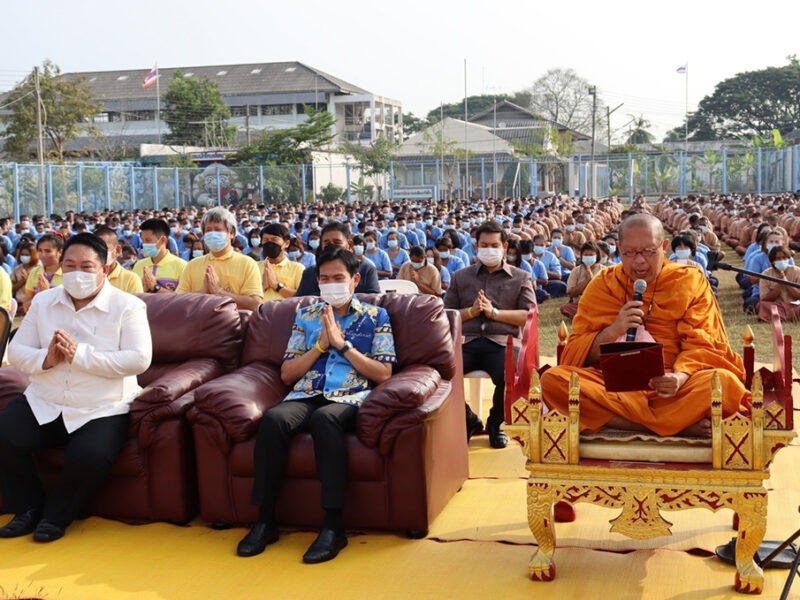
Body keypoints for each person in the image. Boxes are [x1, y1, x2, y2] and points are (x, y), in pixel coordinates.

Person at [237, 246, 395, 563]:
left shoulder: (376, 316)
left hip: (350, 395)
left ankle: (333, 526)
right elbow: (287, 373)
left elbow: (384, 372)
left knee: (326, 420)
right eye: (324, 278)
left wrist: (343, 345)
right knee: (273, 420)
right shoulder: (306, 315)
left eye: (339, 277)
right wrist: (321, 347)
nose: (331, 284)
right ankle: (265, 520)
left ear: (355, 280)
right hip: (306, 392)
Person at [0, 233, 152, 543]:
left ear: (105, 269)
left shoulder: (128, 306)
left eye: (86, 266)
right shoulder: (43, 301)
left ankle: (56, 516)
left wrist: (80, 356)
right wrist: (47, 358)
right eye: (69, 265)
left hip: (100, 406)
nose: (76, 273)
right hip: (46, 400)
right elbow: (16, 351)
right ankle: (27, 508)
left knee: (91, 456)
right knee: (4, 434)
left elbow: (139, 360)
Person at [540, 214, 750, 437]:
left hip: (672, 387)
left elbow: (704, 344)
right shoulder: (603, 284)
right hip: (613, 383)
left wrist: (679, 377)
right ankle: (662, 425)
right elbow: (576, 353)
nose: (639, 261)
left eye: (648, 251)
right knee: (554, 381)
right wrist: (613, 331)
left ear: (664, 246)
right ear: (618, 249)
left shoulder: (689, 282)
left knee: (725, 384)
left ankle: (628, 421)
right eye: (629, 253)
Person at [443, 221, 535, 448]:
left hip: (503, 342)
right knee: (438, 372)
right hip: (467, 341)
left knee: (511, 373)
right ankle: (469, 420)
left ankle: (496, 424)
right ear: (476, 247)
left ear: (505, 246)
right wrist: (471, 312)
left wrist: (494, 313)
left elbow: (529, 315)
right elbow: (445, 315)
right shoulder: (460, 277)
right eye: (484, 245)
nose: (489, 249)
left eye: (494, 245)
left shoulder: (520, 277)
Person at [176, 207, 262, 310]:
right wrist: (203, 292)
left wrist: (219, 292)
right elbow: (177, 302)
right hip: (199, 324)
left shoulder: (247, 263)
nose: (212, 234)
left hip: (234, 324)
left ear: (231, 233)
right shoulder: (192, 265)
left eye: (218, 230)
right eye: (208, 230)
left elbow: (255, 303)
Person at [295, 223, 381, 297]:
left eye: (337, 243)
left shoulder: (366, 270)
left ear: (350, 245)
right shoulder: (310, 273)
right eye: (327, 243)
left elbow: (374, 300)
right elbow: (302, 302)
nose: (332, 247)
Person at [133, 219, 187, 294]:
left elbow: (184, 299)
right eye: (143, 240)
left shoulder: (181, 266)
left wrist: (156, 288)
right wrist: (144, 289)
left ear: (163, 240)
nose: (144, 244)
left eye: (148, 240)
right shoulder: (139, 265)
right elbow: (133, 297)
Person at [259, 224, 304, 302]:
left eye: (274, 240)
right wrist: (263, 286)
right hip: (258, 312)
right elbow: (246, 296)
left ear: (286, 243)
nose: (269, 244)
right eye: (265, 240)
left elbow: (302, 298)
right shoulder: (254, 266)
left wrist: (277, 286)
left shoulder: (297, 268)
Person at [93, 227, 143, 294]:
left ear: (117, 250)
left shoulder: (131, 279)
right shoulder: (86, 276)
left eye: (104, 248)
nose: (99, 253)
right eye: (95, 249)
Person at [756, 245, 800, 322]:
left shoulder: (797, 271)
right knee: (762, 306)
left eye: (784, 258)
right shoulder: (766, 275)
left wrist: (785, 281)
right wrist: (779, 284)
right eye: (778, 259)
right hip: (776, 307)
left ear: (788, 259)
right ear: (772, 261)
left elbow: (798, 296)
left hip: (795, 306)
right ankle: (789, 317)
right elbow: (765, 299)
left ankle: (779, 317)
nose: (782, 260)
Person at [23, 234, 64, 312]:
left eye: (48, 251)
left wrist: (46, 294)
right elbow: (26, 306)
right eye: (40, 250)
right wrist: (40, 295)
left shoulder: (67, 273)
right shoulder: (35, 272)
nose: (43, 255)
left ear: (60, 252)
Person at [561, 242, 602, 318]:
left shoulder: (604, 270)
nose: (588, 257)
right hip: (581, 305)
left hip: (599, 305)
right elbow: (570, 293)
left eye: (591, 255)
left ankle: (587, 316)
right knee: (565, 308)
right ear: (582, 256)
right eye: (586, 255)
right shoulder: (576, 271)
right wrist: (586, 281)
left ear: (597, 256)